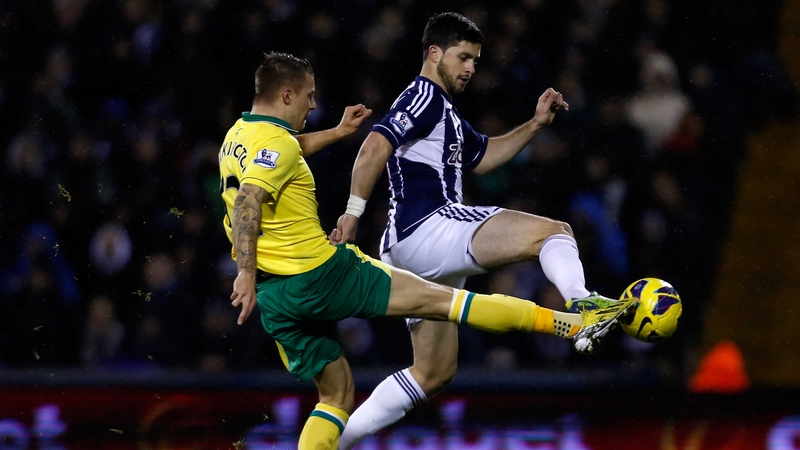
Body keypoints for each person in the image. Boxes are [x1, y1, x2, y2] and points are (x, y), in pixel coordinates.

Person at [220, 51, 635, 450]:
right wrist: (246, 269)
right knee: (454, 302)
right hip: (322, 272)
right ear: (286, 95)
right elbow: (250, 200)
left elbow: (285, 152)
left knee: (338, 395)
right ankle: (571, 320)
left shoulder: (238, 136)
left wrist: (336, 133)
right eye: (309, 96)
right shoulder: (420, 97)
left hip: (277, 299)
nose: (314, 104)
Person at [329, 12, 623, 448]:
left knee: (432, 373)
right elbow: (375, 144)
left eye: (476, 60)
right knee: (553, 231)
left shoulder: (442, 109)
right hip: (427, 227)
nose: (470, 67)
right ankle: (584, 306)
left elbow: (482, 156)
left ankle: (330, 443)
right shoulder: (423, 95)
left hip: (413, 248)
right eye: (463, 57)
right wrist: (352, 213)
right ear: (434, 53)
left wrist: (535, 125)